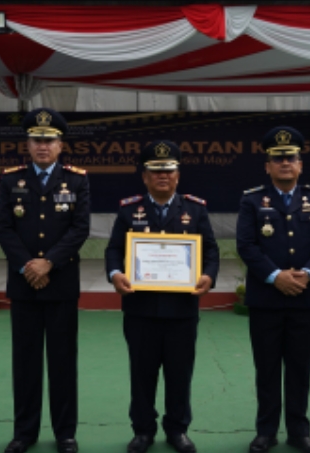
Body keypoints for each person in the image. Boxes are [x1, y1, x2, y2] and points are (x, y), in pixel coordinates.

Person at [105, 140, 220, 453]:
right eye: (156, 171)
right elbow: (114, 249)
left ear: (178, 175)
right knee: (142, 374)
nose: (163, 176)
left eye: (168, 170)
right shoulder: (129, 210)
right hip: (140, 309)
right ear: (145, 176)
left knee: (179, 374)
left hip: (182, 310)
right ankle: (143, 430)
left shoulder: (195, 209)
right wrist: (115, 274)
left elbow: (211, 251)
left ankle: (177, 429)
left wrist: (209, 275)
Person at [236, 126, 310, 453]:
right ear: (267, 166)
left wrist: (308, 274)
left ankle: (298, 431)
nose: (284, 163)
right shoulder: (252, 200)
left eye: (290, 158)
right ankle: (266, 431)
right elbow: (246, 245)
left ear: (300, 165)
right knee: (266, 369)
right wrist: (275, 276)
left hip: (305, 297)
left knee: (299, 368)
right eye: (277, 159)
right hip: (266, 298)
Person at [0, 108, 90, 453]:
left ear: (60, 145)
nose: (43, 146)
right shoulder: (11, 180)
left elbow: (80, 228)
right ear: (28, 144)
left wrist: (48, 263)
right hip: (24, 285)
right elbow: (4, 227)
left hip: (61, 284)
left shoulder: (77, 180)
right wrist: (28, 266)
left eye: (49, 140)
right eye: (37, 140)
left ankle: (65, 433)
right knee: (25, 363)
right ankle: (24, 433)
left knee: (63, 362)